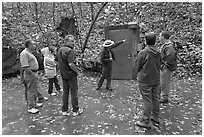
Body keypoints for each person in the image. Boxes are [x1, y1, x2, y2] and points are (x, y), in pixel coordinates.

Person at [134, 32, 161, 129]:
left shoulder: (143, 52)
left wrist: (135, 74)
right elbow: (160, 65)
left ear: (145, 41)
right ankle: (156, 117)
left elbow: (137, 65)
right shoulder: (158, 52)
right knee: (155, 98)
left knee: (147, 100)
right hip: (156, 79)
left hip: (145, 80)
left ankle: (145, 121)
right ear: (155, 41)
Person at [57, 35, 83, 116]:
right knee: (73, 92)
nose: (73, 43)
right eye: (72, 41)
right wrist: (78, 72)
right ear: (67, 41)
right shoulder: (70, 51)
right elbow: (71, 64)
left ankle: (64, 110)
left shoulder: (60, 50)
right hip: (71, 75)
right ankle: (75, 110)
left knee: (65, 92)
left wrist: (61, 69)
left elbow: (56, 61)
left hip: (63, 74)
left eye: (73, 41)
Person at [20, 39, 48, 114]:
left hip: (33, 73)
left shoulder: (29, 53)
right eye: (34, 44)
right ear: (29, 45)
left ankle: (34, 103)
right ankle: (31, 107)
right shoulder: (24, 54)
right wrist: (33, 75)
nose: (35, 46)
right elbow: (25, 67)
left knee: (33, 89)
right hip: (30, 74)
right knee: (31, 90)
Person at [159, 31, 177, 103]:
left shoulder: (169, 46)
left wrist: (165, 65)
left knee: (164, 82)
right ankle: (163, 96)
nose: (159, 38)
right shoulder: (166, 45)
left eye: (160, 36)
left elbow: (171, 56)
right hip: (164, 66)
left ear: (163, 37)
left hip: (166, 67)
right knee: (162, 81)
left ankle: (164, 97)